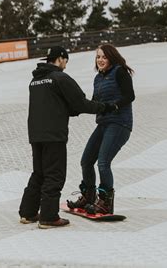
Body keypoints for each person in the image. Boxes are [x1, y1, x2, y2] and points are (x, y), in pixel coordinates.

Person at [19, 46, 116, 229]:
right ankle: (48, 217)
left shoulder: (35, 80)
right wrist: (105, 107)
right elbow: (80, 103)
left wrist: (71, 109)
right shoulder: (60, 78)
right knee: (54, 175)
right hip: (54, 135)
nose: (65, 65)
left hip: (36, 134)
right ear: (61, 59)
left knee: (38, 173)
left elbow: (59, 105)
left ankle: (28, 213)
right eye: (66, 61)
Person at [67, 44, 135, 215]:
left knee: (103, 163)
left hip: (120, 124)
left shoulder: (120, 72)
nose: (100, 60)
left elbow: (130, 95)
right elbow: (94, 103)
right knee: (86, 161)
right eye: (98, 57)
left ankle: (105, 202)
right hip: (103, 124)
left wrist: (115, 106)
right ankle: (89, 196)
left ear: (111, 58)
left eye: (104, 57)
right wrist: (74, 109)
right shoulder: (98, 78)